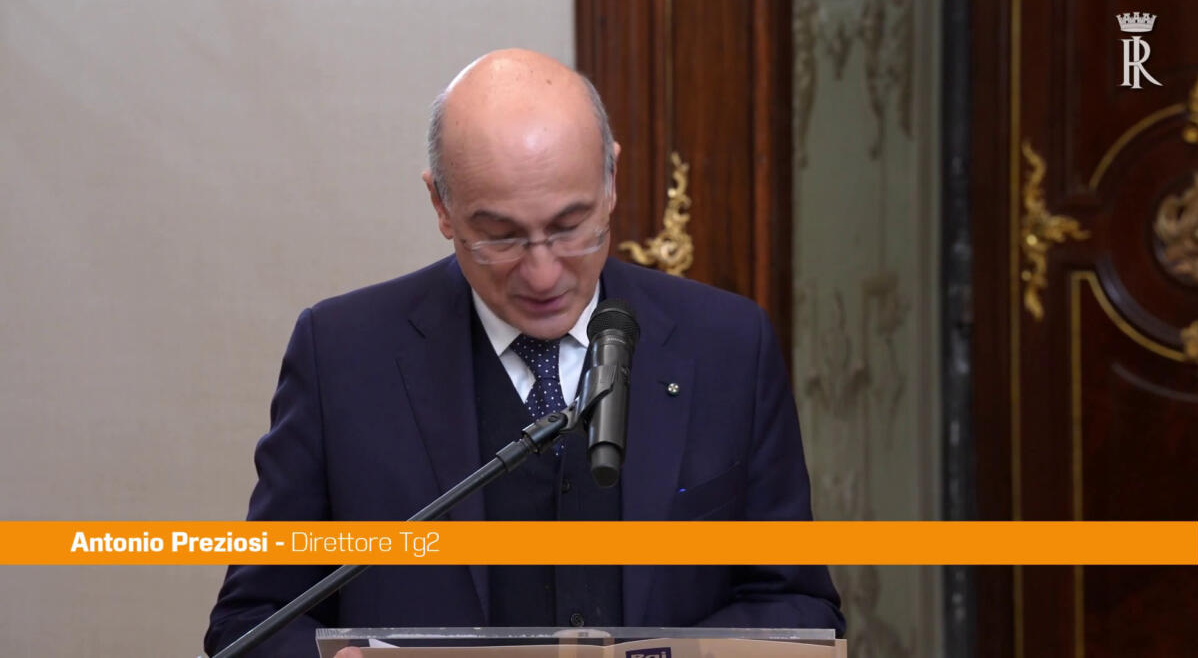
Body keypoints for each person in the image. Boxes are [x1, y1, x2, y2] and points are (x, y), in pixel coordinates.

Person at [205, 48, 843, 657]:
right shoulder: (342, 355)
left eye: (570, 228)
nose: (543, 275)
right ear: (441, 206)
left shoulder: (728, 344)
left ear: (612, 181)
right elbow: (249, 623)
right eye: (501, 238)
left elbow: (799, 608)